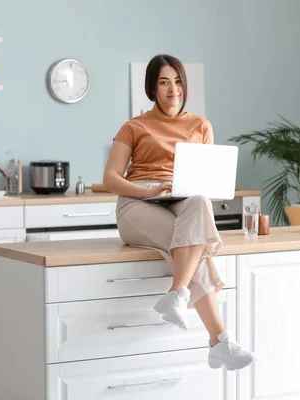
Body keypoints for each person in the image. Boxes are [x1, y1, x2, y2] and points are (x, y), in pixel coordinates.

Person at [103, 54, 256, 371]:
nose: (173, 88)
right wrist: (147, 191)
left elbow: (209, 180)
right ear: (152, 88)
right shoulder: (135, 126)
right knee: (194, 245)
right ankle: (219, 342)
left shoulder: (201, 125)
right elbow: (111, 178)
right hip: (138, 202)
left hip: (183, 198)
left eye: (177, 81)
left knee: (199, 201)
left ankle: (179, 295)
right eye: (163, 82)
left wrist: (189, 187)